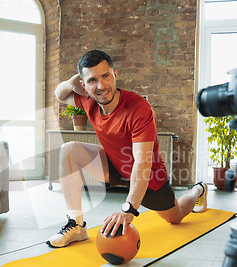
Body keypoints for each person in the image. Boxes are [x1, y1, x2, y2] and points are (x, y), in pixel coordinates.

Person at [47, 50, 208, 248]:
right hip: (115, 167)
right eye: (92, 80)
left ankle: (198, 190)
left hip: (149, 178)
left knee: (176, 217)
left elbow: (142, 162)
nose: (100, 86)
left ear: (115, 75)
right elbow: (59, 94)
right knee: (69, 149)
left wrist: (129, 209)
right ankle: (77, 225)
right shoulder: (90, 101)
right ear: (84, 85)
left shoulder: (138, 108)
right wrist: (73, 82)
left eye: (105, 76)